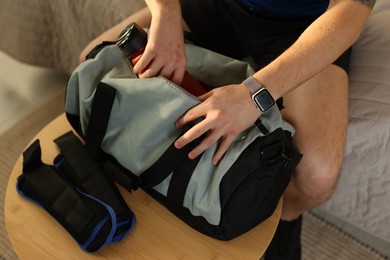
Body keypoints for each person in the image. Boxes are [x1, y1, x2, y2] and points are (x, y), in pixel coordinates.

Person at [80, 0, 375, 258]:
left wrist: (254, 94)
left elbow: (354, 7)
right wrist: (166, 10)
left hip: (309, 25)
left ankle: (275, 234)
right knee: (92, 63)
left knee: (317, 175)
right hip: (215, 6)